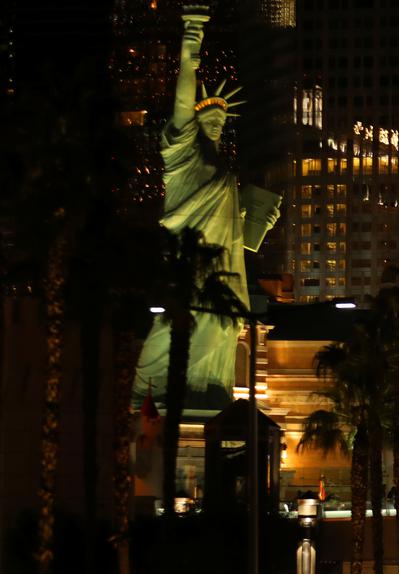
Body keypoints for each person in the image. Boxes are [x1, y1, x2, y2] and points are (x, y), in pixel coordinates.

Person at [133, 5, 280, 408]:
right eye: (208, 117)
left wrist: (258, 222)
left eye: (221, 119)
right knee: (171, 329)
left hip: (223, 273)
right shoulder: (182, 157)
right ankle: (145, 390)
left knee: (219, 326)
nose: (216, 122)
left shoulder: (225, 172)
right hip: (185, 268)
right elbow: (183, 104)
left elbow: (238, 236)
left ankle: (206, 394)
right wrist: (190, 46)